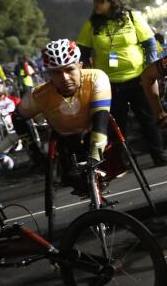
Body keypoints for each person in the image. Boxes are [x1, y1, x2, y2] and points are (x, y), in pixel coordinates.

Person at [77, 0, 167, 166]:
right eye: (94, 1)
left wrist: (150, 68)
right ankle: (121, 162)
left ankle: (159, 155)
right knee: (117, 125)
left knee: (147, 119)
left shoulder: (131, 17)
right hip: (109, 82)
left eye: (100, 1)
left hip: (137, 78)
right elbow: (83, 53)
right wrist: (88, 73)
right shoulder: (91, 25)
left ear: (111, 1)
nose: (96, 5)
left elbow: (149, 43)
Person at [17, 40, 116, 195]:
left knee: (104, 147)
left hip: (96, 130)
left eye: (69, 69)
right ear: (49, 74)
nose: (65, 78)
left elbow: (100, 124)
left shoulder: (97, 78)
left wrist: (95, 157)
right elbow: (17, 118)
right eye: (56, 72)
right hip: (66, 140)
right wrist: (34, 153)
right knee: (72, 178)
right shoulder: (39, 95)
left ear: (80, 66)